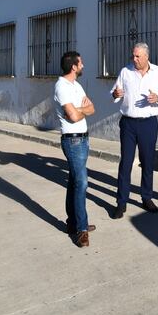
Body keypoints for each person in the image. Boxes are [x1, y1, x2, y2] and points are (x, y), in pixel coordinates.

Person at [111, 42, 158, 217]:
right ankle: (121, 202)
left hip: (148, 123)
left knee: (147, 162)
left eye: (138, 56)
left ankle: (146, 197)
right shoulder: (125, 71)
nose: (134, 59)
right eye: (133, 55)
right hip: (128, 123)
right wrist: (115, 95)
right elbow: (115, 92)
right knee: (126, 163)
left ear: (147, 56)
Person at [54, 51, 95, 247]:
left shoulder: (76, 86)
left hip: (83, 139)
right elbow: (73, 117)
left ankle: (73, 223)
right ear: (74, 67)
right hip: (72, 141)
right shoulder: (61, 86)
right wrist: (79, 111)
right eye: (81, 63)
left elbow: (91, 109)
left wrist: (77, 110)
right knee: (82, 183)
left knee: (73, 182)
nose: (83, 66)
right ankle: (82, 229)